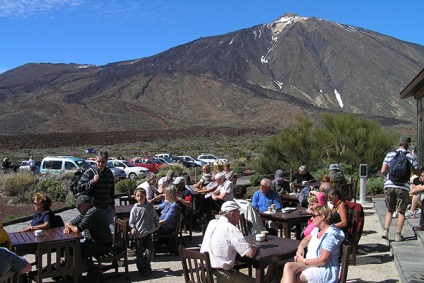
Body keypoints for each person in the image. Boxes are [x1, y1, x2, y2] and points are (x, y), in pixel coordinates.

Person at [200, 201, 261, 283]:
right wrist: (254, 248)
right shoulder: (231, 228)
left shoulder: (212, 222)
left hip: (204, 273)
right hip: (219, 276)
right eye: (238, 213)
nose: (240, 216)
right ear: (232, 214)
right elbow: (249, 254)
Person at [281, 205, 345, 283]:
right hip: (311, 265)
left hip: (323, 270)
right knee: (288, 266)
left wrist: (303, 261)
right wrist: (300, 247)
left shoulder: (330, 236)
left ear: (322, 217)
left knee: (290, 277)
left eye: (314, 216)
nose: (311, 219)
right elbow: (306, 239)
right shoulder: (317, 229)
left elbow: (323, 261)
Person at [381, 135, 420, 242]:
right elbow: (417, 172)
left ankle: (386, 230)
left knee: (390, 210)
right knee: (401, 211)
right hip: (403, 186)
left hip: (389, 185)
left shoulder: (390, 154)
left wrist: (389, 175)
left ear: (399, 143)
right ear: (408, 144)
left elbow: (383, 170)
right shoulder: (410, 156)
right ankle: (398, 235)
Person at [64, 195, 113, 273]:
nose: (77, 207)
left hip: (102, 246)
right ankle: (82, 268)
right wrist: (68, 225)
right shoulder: (86, 212)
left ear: (87, 204)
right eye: (77, 206)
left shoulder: (92, 213)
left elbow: (77, 230)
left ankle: (87, 269)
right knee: (71, 249)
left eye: (79, 205)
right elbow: (73, 221)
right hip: (93, 243)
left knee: (73, 251)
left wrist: (69, 226)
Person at [77, 150, 115, 234]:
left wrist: (113, 206)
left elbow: (111, 191)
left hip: (106, 207)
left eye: (103, 162)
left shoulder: (109, 173)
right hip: (94, 208)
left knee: (112, 232)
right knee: (90, 232)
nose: (100, 164)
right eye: (98, 161)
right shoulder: (89, 172)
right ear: (95, 160)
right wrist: (92, 181)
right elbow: (79, 188)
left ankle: (111, 247)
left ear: (106, 162)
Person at [129, 188, 159, 277]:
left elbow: (155, 217)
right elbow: (131, 222)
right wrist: (133, 228)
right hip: (139, 234)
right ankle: (141, 268)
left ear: (145, 196)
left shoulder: (149, 207)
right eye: (138, 196)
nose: (140, 198)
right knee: (139, 254)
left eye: (142, 196)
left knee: (149, 252)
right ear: (135, 197)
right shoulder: (135, 209)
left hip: (148, 233)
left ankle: (147, 264)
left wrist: (156, 226)